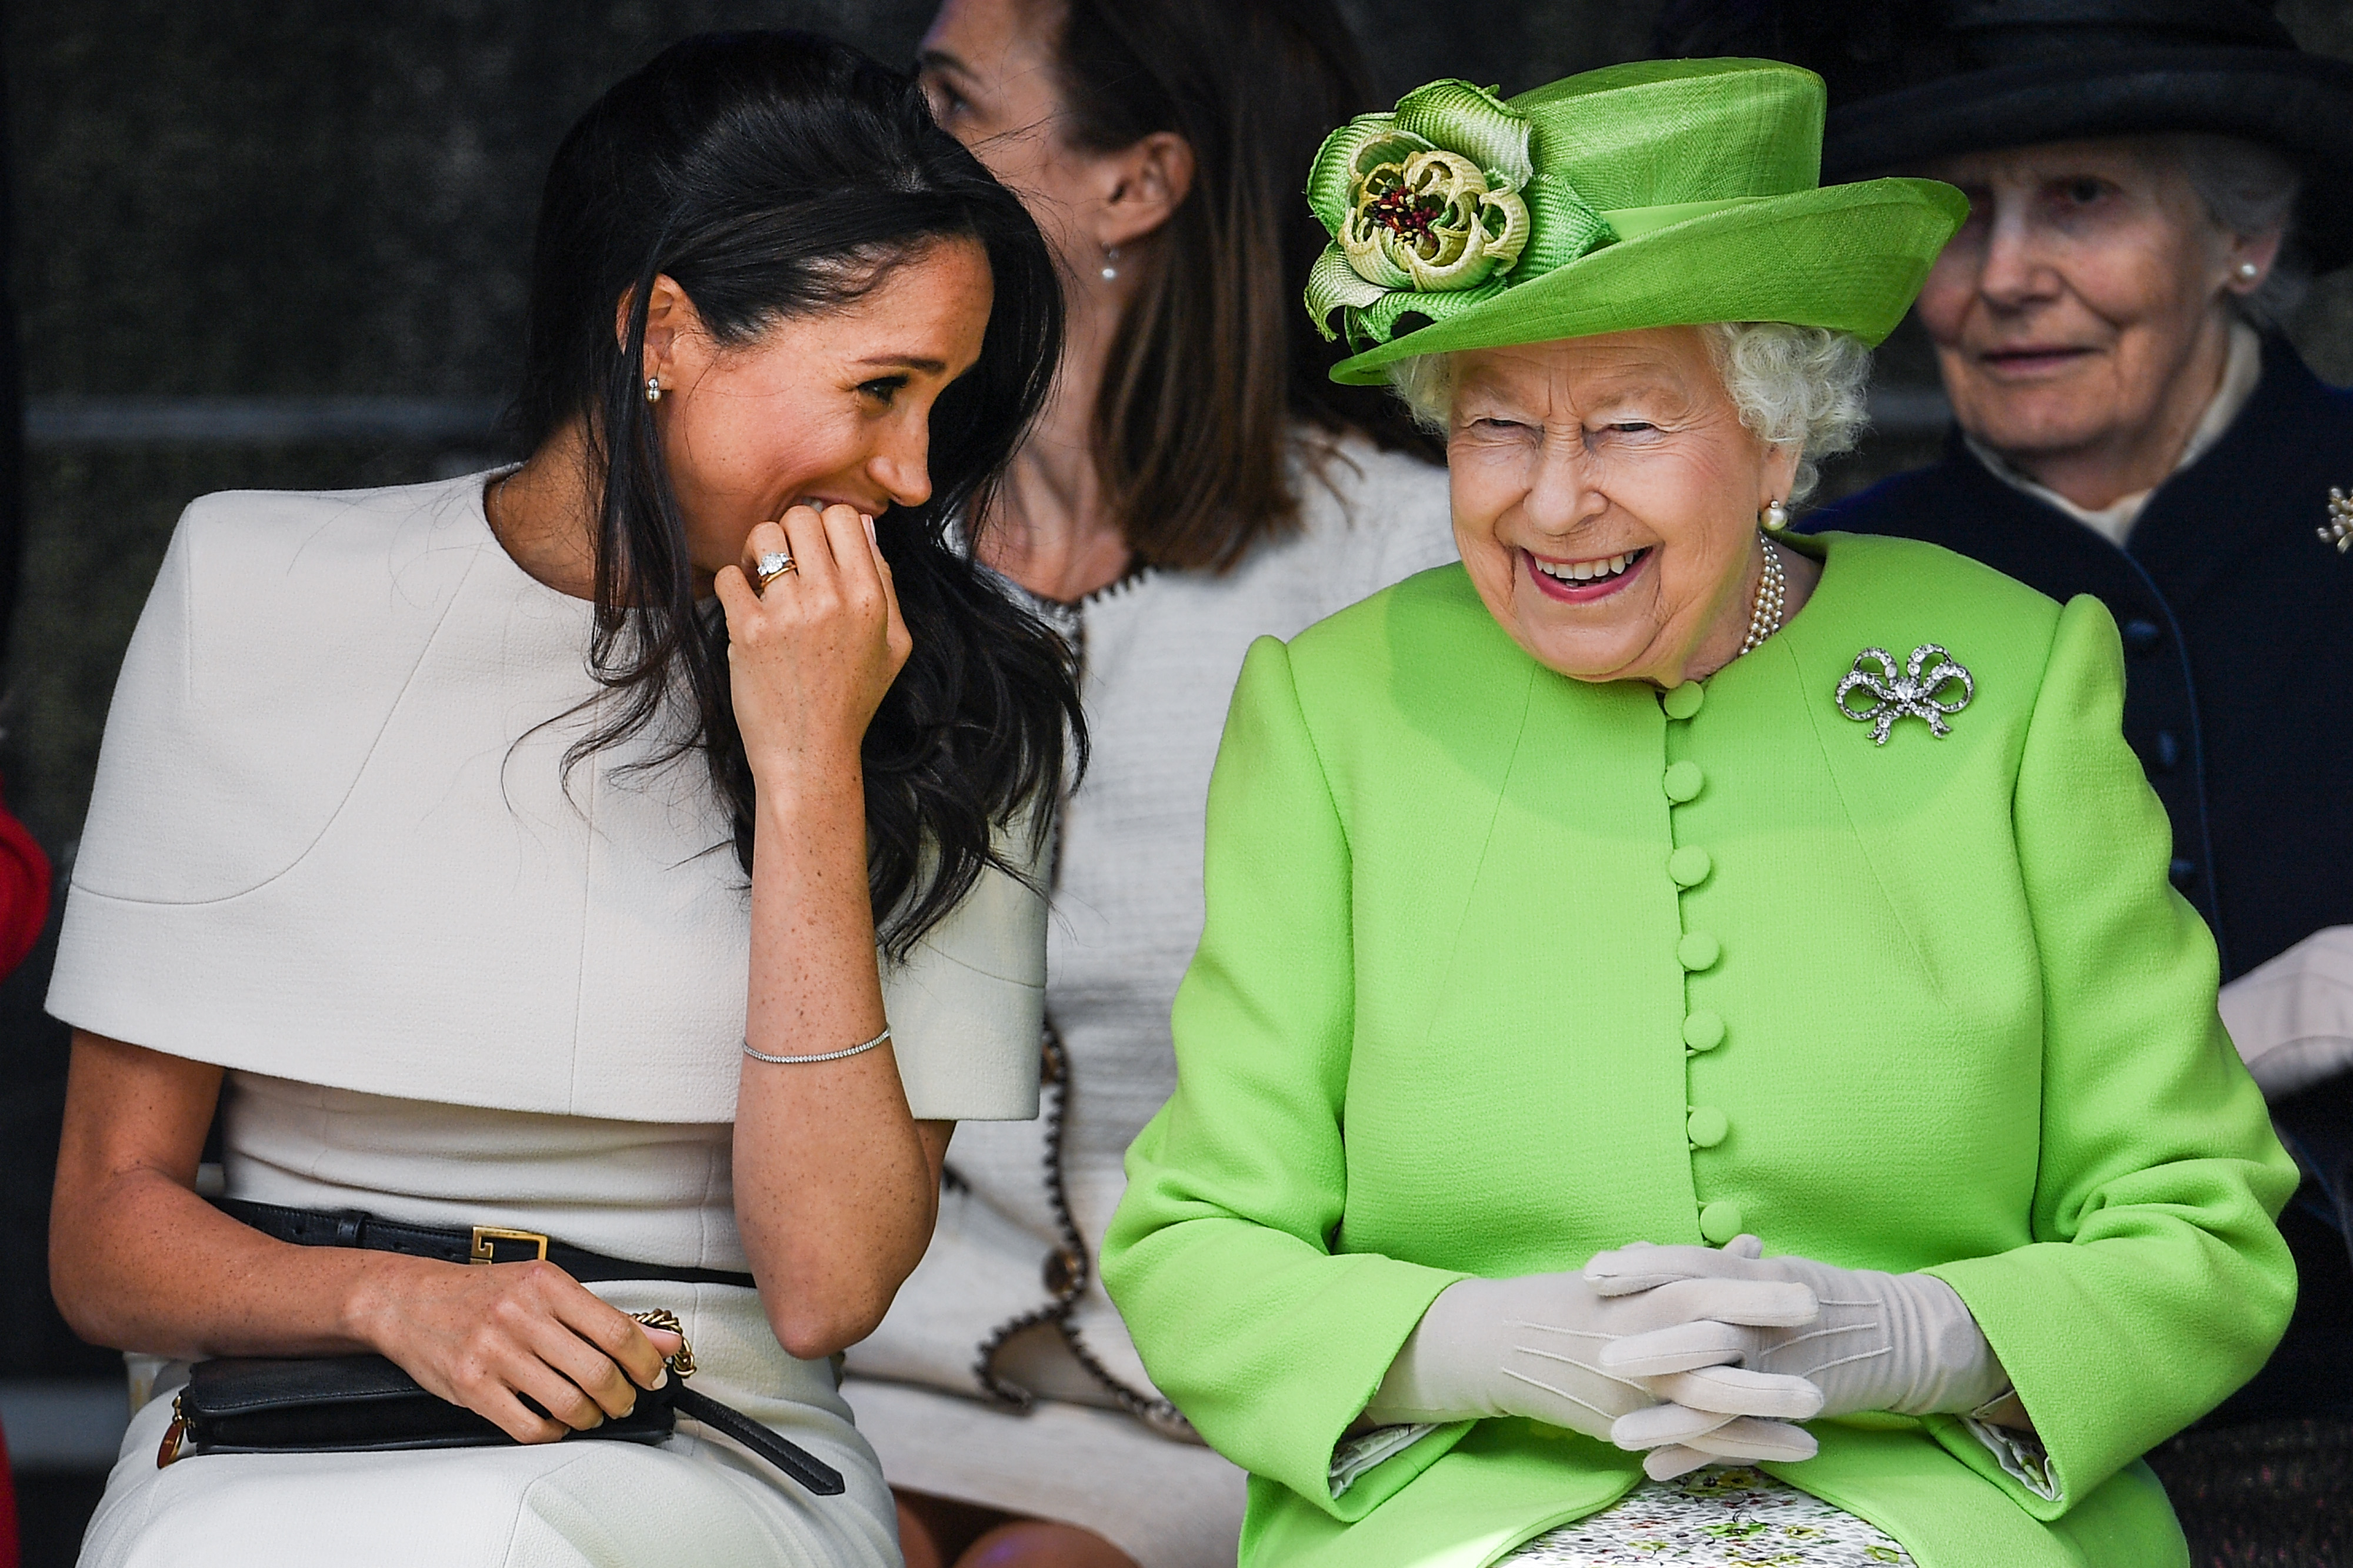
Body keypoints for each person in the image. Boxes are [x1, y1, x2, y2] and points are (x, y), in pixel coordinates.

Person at [1101, 58, 2298, 1568]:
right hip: (1454, 1521)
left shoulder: (2008, 673)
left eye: (1625, 427)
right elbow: (1198, 1240)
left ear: (1777, 442)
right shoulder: (1333, 707)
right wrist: (1461, 1346)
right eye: (1493, 427)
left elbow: (2199, 1222)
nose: (1549, 501)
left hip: (1948, 1515)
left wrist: (1932, 1341)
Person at [45, 32, 1078, 1567]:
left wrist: (808, 771)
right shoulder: (256, 586)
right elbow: (104, 1234)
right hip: (291, 1420)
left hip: (708, 1435)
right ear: (662, 328)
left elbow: (827, 1287)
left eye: (945, 401)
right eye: (879, 388)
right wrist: (392, 1302)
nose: (918, 473)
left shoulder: (959, 686)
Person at [1652, 0, 2353, 1431]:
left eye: (2079, 201)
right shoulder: (1803, 582)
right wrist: (2253, 1024)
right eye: (1959, 218)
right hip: (1979, 1397)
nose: (2006, 276)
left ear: (2242, 239)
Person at [834, 4, 1454, 1567]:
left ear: (1138, 185)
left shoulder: (1402, 561)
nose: (887, 146)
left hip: (1227, 1376)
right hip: (877, 1362)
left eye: (952, 102)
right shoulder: (870, 535)